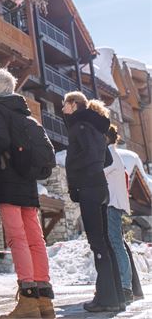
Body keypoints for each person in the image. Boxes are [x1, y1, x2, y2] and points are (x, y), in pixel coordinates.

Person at [0, 68, 55, 319]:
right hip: (28, 182)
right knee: (35, 238)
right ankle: (44, 299)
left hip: (7, 180)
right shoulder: (23, 112)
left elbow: (0, 141)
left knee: (16, 238)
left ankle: (27, 299)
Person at [62, 91, 124, 315]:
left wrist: (74, 174)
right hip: (99, 187)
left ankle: (106, 300)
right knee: (105, 243)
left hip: (89, 188)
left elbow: (87, 156)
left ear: (74, 105)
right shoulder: (94, 126)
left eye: (65, 105)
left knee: (98, 244)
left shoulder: (81, 127)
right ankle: (116, 297)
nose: (62, 109)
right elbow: (104, 158)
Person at [104, 125, 133, 303]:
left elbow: (100, 173)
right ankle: (123, 284)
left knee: (116, 243)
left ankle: (125, 286)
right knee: (116, 243)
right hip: (113, 203)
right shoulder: (113, 153)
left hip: (112, 204)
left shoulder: (110, 154)